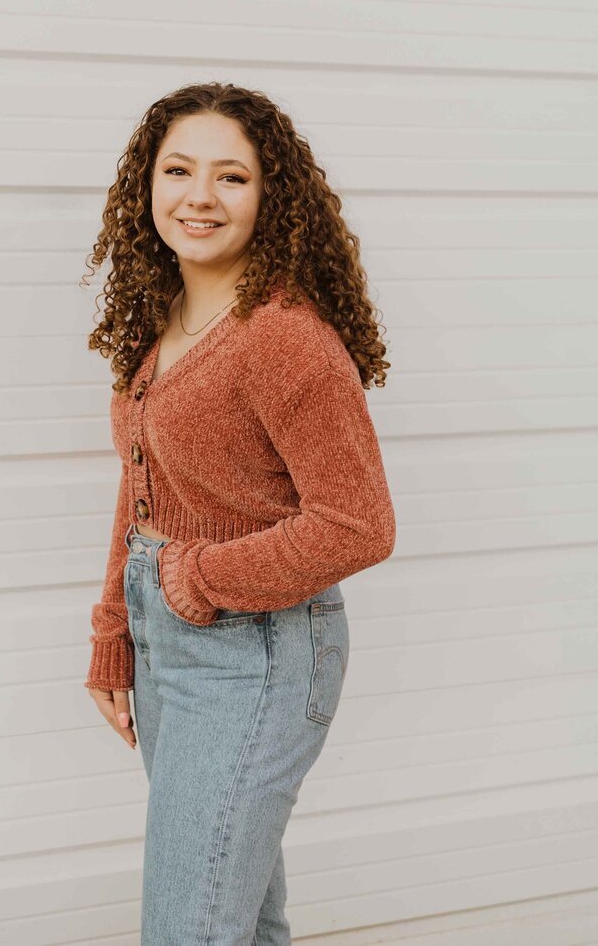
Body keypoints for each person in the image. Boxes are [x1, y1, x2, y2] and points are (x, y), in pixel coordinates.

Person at [80, 81, 396, 945]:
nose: (200, 196)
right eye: (179, 170)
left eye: (232, 177)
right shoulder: (166, 317)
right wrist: (116, 626)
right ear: (146, 186)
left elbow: (359, 520)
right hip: (167, 644)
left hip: (257, 654)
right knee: (237, 922)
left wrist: (196, 576)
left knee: (191, 927)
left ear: (270, 196)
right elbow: (142, 482)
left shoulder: (282, 335)